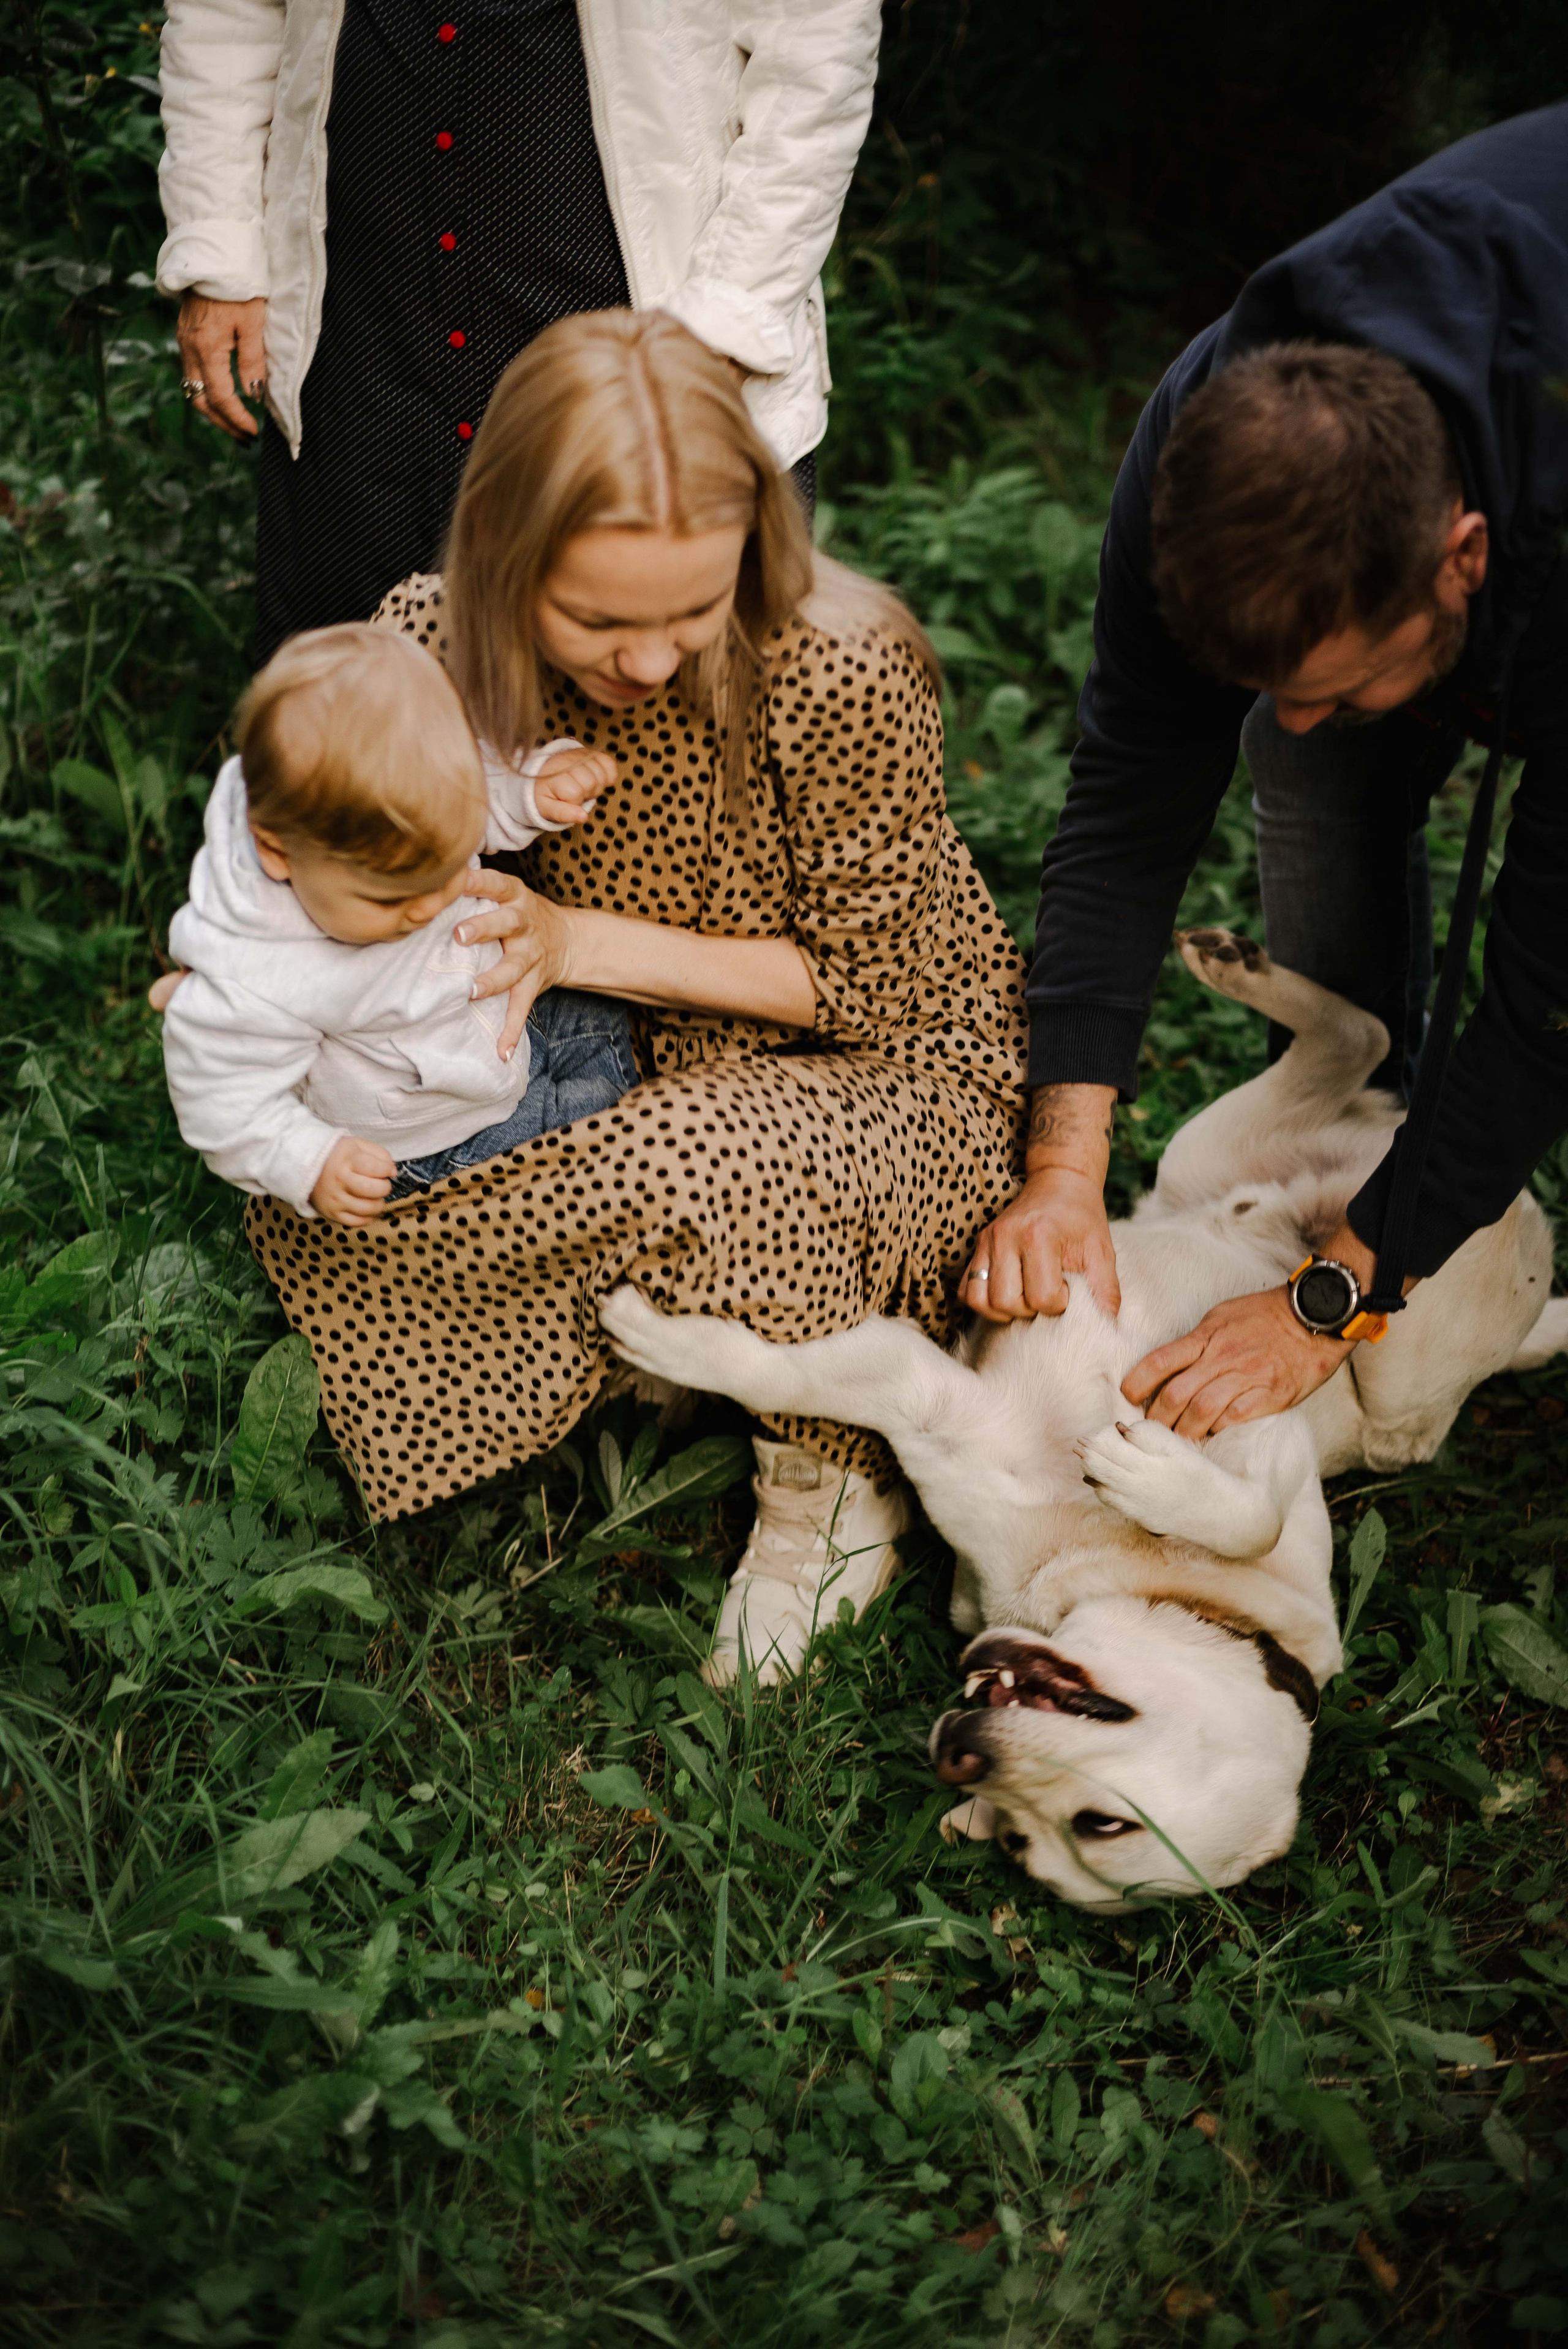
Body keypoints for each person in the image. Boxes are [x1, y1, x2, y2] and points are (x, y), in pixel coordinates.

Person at [223, 309, 1027, 1684]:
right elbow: (326, 840)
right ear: (500, 556)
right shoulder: (423, 641)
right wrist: (251, 964)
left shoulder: (835, 665)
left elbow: (869, 988)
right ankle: (672, 1334)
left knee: (712, 1154)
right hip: (611, 1036)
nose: (646, 664)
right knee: (325, 1137)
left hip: (878, 1069)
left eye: (689, 613)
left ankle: (826, 1488)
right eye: (595, 619)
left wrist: (571, 940)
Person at [965, 102, 1568, 1436]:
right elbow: (1125, 809)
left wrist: (1330, 1301)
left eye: (1338, 680)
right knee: (1304, 764)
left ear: (1459, 557)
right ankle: (1363, 1120)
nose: (1293, 723)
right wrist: (1064, 1164)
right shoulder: (1203, 447)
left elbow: (1545, 993)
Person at [153, 0, 883, 659]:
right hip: (362, 340)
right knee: (354, 735)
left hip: (653, 338)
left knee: (675, 731)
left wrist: (725, 321)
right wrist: (217, 240)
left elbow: (817, 43)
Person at [162, 624, 633, 1224]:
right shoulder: (258, 968)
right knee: (598, 1155)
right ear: (277, 852)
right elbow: (222, 1100)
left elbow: (469, 792)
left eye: (449, 867)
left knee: (610, 1016)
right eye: (393, 900)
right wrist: (312, 1162)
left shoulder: (373, 808)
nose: (433, 905)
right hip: (438, 1132)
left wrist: (528, 790)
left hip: (482, 1018)